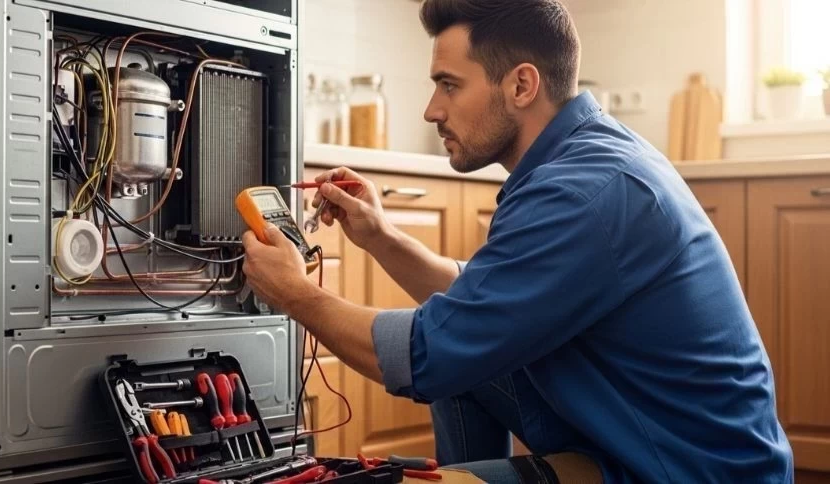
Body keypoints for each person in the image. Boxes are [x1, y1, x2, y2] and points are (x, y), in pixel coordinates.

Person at [241, 0, 793, 482]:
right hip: (650, 440)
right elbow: (485, 304)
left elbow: (426, 354)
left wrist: (294, 293)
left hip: (689, 471)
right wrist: (381, 237)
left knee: (448, 355)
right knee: (466, 346)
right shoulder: (580, 161)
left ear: (522, 85)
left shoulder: (584, 193)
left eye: (449, 84)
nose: (432, 109)